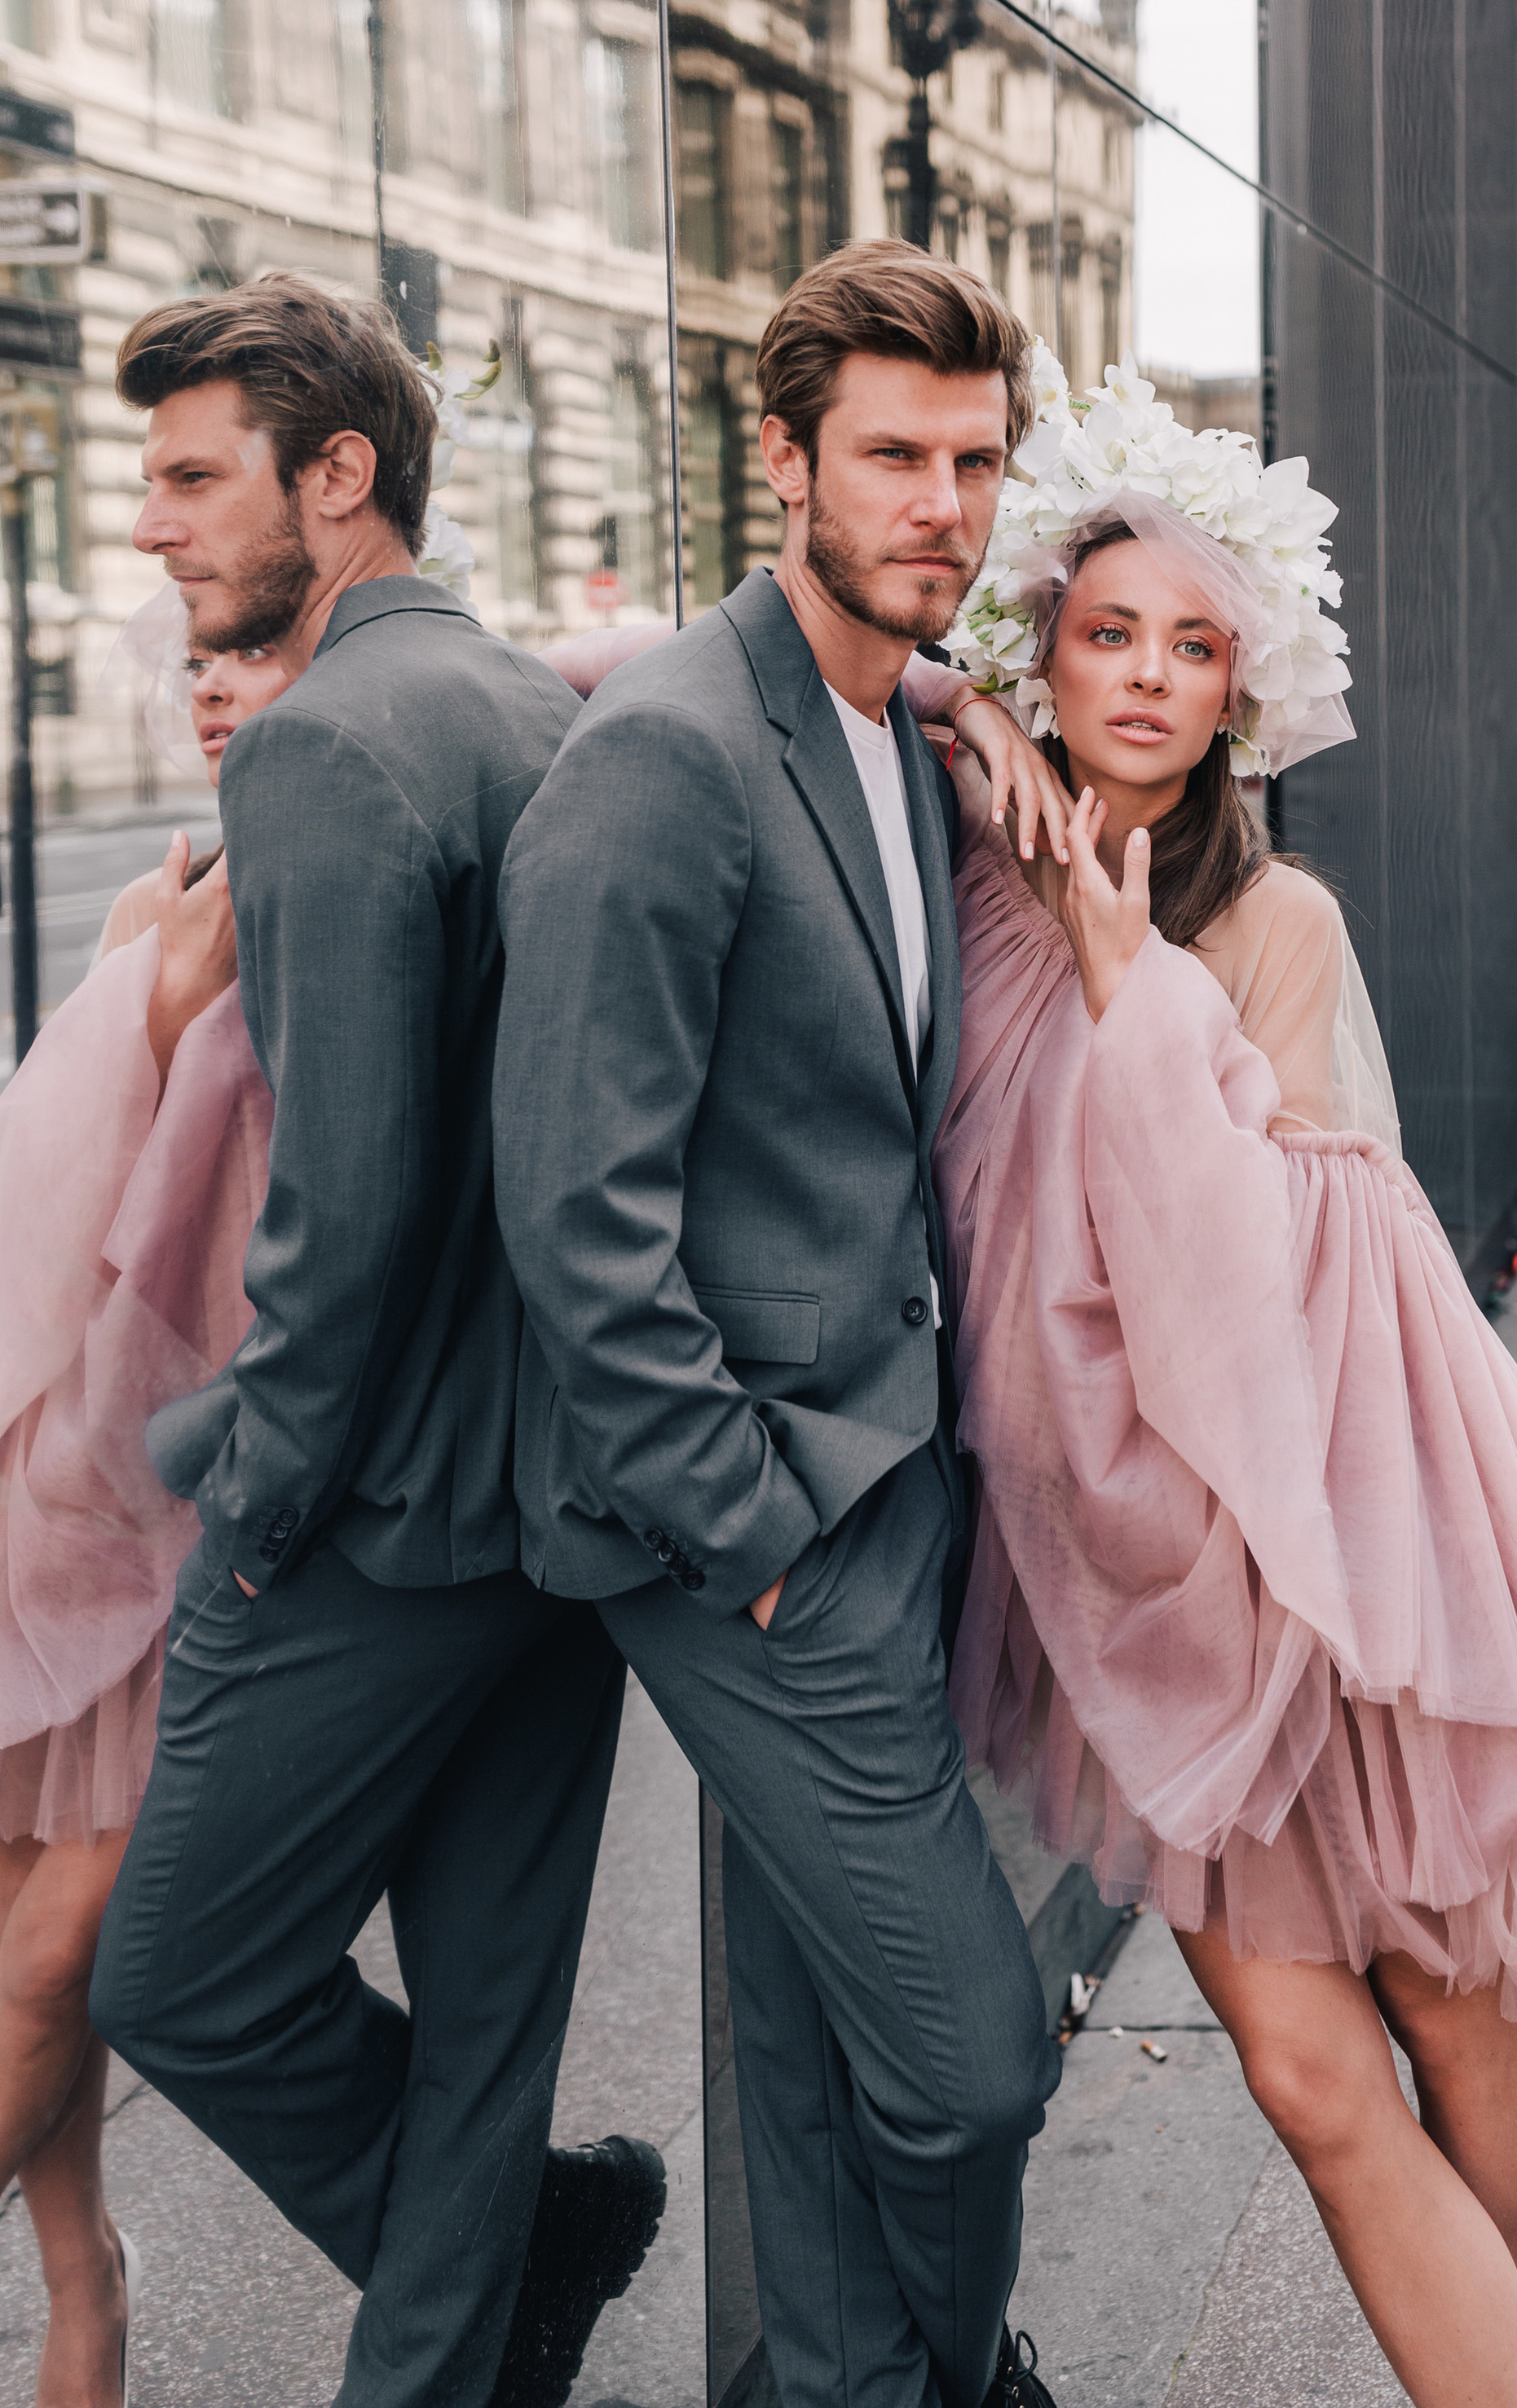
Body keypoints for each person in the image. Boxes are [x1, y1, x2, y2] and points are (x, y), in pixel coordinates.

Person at [900, 354, 1517, 2408]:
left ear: (1239, 692)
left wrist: (1118, 961)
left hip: (1341, 1562)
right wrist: (953, 705)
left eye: (1192, 646)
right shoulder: (959, 875)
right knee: (1303, 2069)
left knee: (1446, 2021)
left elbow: (1265, 1290)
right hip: (1137, 1585)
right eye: (1101, 637)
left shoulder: (1269, 923)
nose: (1148, 679)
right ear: (1039, 655)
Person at [493, 240, 1064, 2408]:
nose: (943, 501)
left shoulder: (885, 723)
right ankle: (962, 2367)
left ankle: (839, 2380)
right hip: (755, 1525)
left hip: (886, 1469)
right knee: (977, 2055)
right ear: (784, 457)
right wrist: (746, 1525)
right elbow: (573, 1209)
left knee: (827, 2036)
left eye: (974, 460)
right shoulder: (666, 759)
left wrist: (962, 700)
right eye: (895, 455)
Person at [85, 274, 662, 2408]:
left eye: (188, 474)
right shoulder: (538, 702)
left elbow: (348, 1212)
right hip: (570, 1502)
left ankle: (540, 2227)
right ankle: (497, 2282)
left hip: (383, 1505)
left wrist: (251, 1512)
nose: (152, 524)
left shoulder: (325, 738)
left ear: (339, 476)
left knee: (185, 1973)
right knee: (490, 2020)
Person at [0, 626, 280, 2408]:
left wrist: (965, 701)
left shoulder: (343, 881)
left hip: (201, 1505)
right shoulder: (146, 902)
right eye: (196, 656)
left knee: (56, 1950)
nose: (210, 680)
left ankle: (89, 2291)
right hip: (49, 1492)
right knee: (16, 1910)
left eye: (254, 649)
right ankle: (81, 2271)